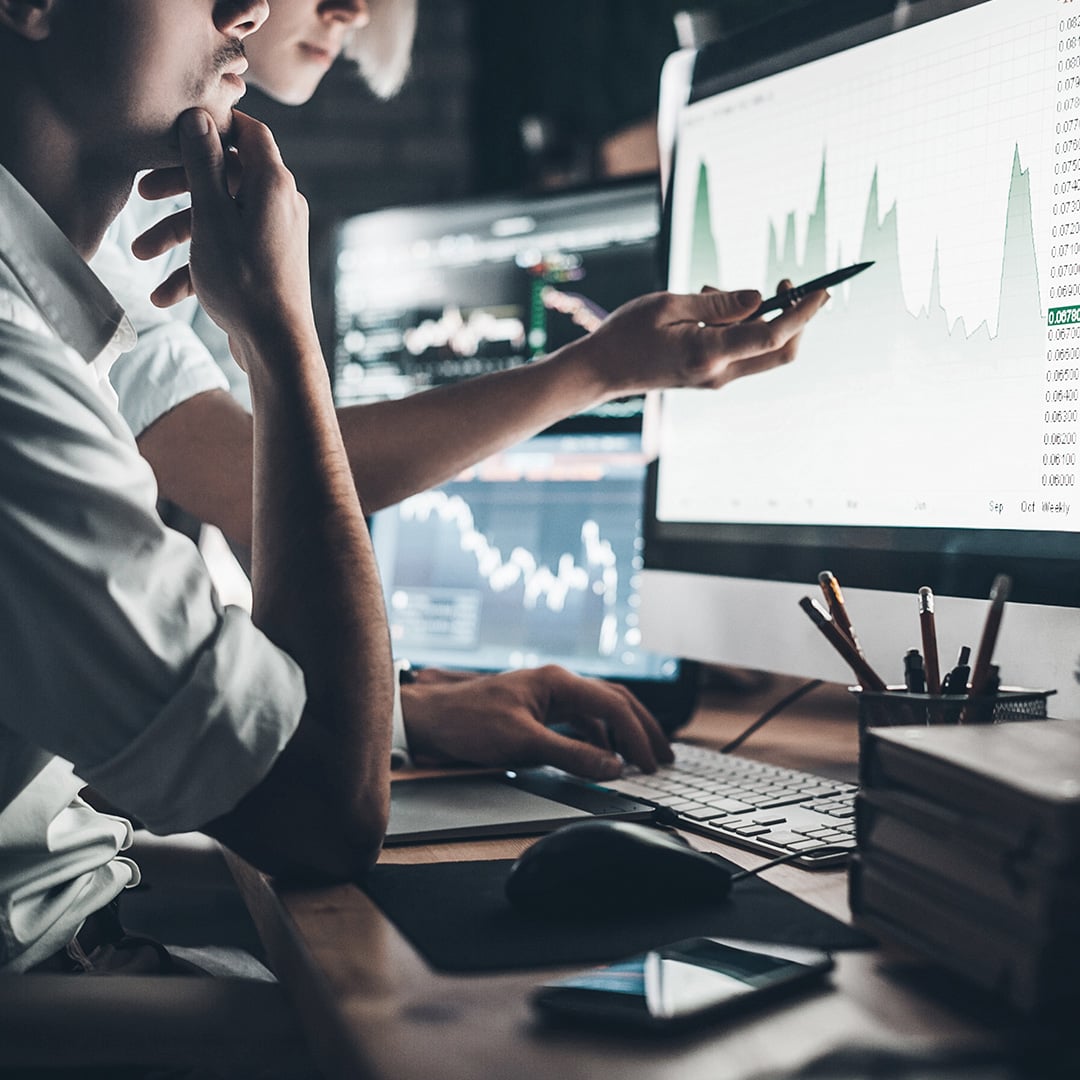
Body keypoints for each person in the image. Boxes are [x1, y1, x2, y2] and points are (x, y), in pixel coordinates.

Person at [0, 0, 827, 974]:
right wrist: (280, 332)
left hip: (94, 903)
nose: (252, 9)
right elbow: (317, 813)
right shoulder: (21, 369)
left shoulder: (69, 294)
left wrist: (398, 717)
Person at [93, 0, 829, 754]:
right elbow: (248, 476)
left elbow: (264, 462)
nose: (352, 10)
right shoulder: (96, 228)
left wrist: (402, 715)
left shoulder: (168, 207)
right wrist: (601, 368)